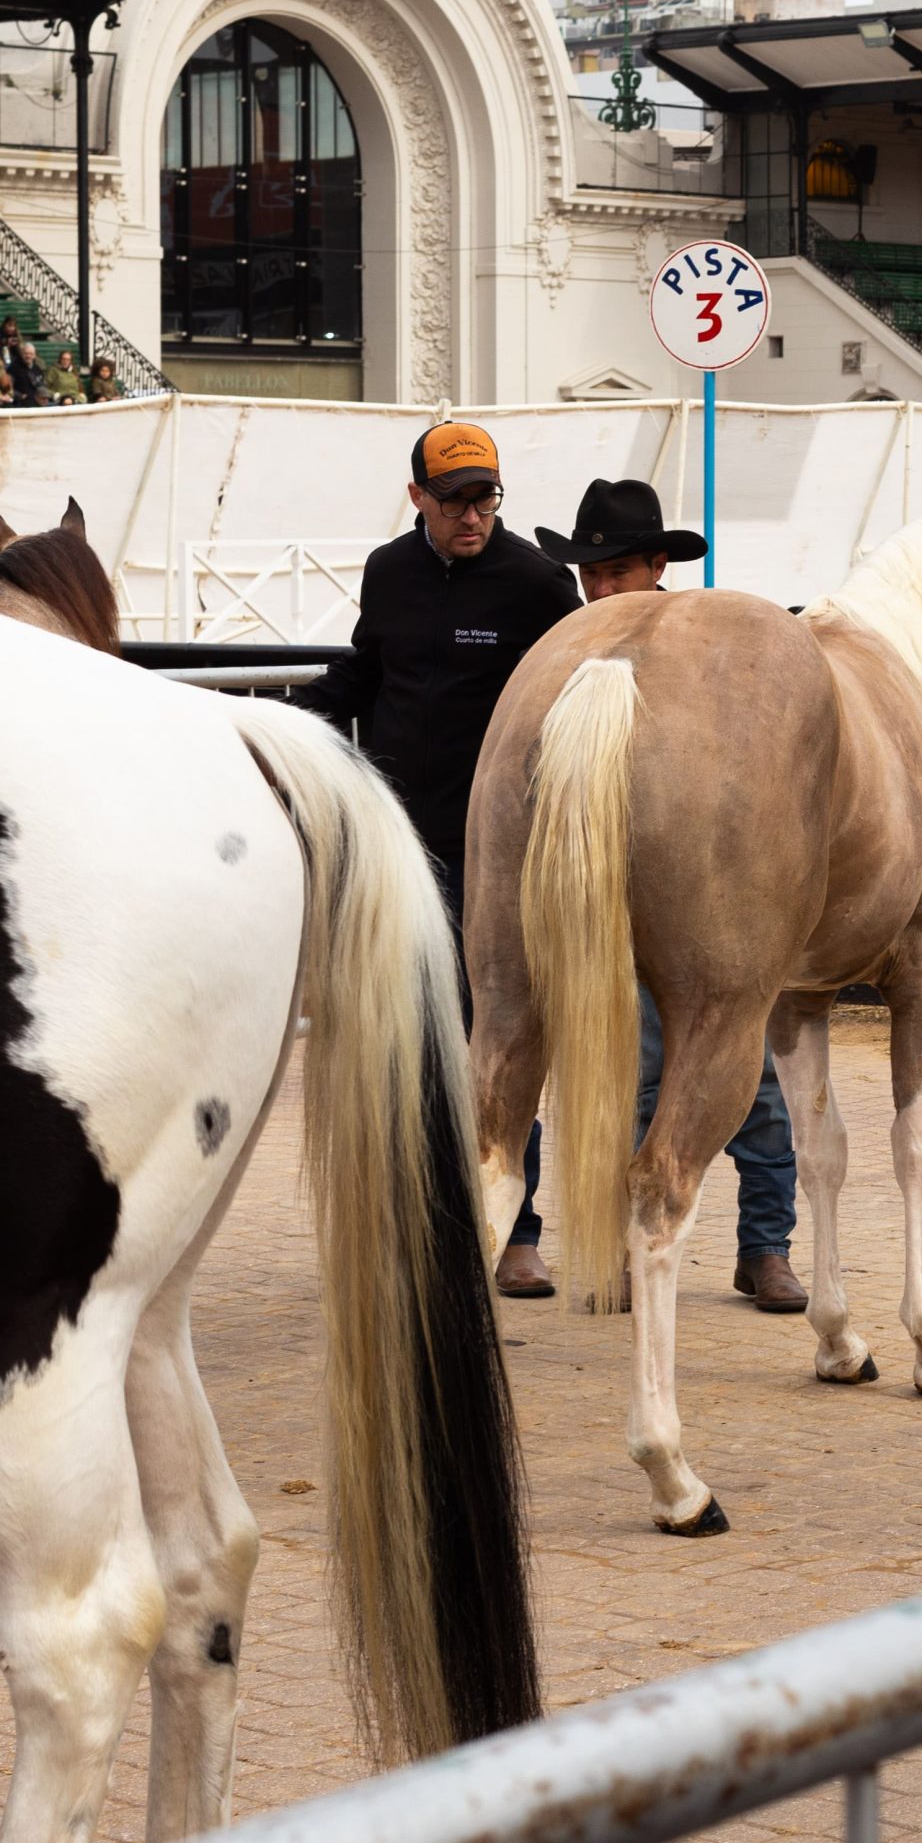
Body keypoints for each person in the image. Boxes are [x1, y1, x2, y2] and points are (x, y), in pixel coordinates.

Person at [297, 419, 581, 1298]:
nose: (472, 515)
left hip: (494, 856)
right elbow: (365, 675)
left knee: (499, 1033)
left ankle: (518, 1229)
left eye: (485, 497)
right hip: (391, 844)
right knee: (398, 1036)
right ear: (416, 495)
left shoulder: (538, 585)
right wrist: (284, 723)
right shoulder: (389, 571)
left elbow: (579, 698)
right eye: (454, 498)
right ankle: (405, 1218)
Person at [534, 477, 807, 1313]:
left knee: (745, 1079)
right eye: (591, 576)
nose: (601, 591)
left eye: (617, 574)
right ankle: (636, 1238)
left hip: (710, 901)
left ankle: (765, 1245)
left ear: (658, 566)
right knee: (637, 1075)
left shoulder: (711, 656)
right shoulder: (570, 652)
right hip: (608, 900)